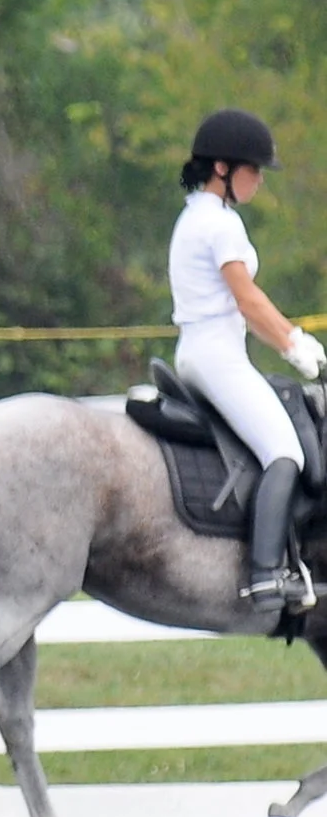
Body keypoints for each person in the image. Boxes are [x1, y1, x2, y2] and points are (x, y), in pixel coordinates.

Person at [171, 108, 327, 606]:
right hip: (218, 357)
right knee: (286, 451)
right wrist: (294, 344)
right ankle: (265, 574)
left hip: (198, 352)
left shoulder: (193, 216)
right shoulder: (221, 224)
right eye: (252, 170)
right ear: (222, 168)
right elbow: (248, 299)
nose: (258, 179)